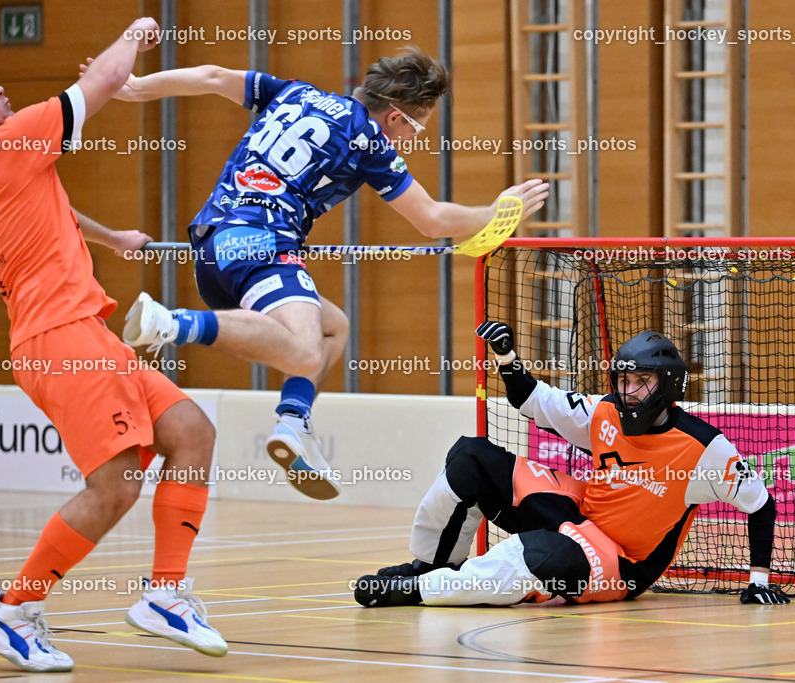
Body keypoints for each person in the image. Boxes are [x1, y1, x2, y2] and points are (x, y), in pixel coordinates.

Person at [0, 18, 228, 673]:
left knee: (191, 431)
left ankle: (165, 594)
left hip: (81, 329)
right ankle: (10, 610)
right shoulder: (10, 140)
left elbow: (50, 205)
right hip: (59, 337)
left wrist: (110, 237)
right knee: (116, 484)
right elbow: (105, 79)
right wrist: (135, 31)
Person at [111, 48, 550, 500]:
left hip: (210, 250)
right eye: (415, 128)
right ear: (395, 116)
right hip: (262, 242)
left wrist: (137, 88)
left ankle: (293, 422)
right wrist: (495, 212)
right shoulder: (370, 140)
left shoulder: (296, 93)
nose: (410, 139)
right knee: (304, 352)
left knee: (331, 328)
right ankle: (172, 323)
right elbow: (433, 220)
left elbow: (213, 75)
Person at [354, 324, 791, 608]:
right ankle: (430, 567)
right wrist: (507, 358)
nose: (628, 391)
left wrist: (758, 580)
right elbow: (532, 399)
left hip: (620, 563)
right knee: (471, 457)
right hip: (580, 517)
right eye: (623, 380)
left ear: (668, 385)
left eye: (641, 382)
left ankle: (419, 591)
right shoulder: (603, 412)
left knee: (539, 555)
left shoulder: (705, 448)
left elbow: (761, 505)